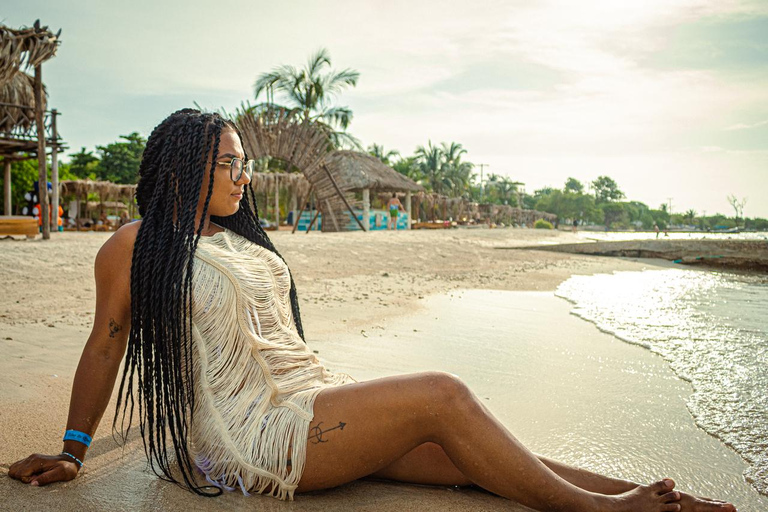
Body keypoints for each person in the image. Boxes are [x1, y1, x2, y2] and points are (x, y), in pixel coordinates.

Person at [9, 110, 735, 512]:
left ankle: (664, 502)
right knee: (443, 394)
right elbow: (107, 341)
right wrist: (74, 449)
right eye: (231, 162)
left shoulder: (240, 239)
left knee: (465, 458)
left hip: (308, 405)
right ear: (183, 165)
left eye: (244, 164)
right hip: (251, 440)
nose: (243, 175)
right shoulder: (136, 244)